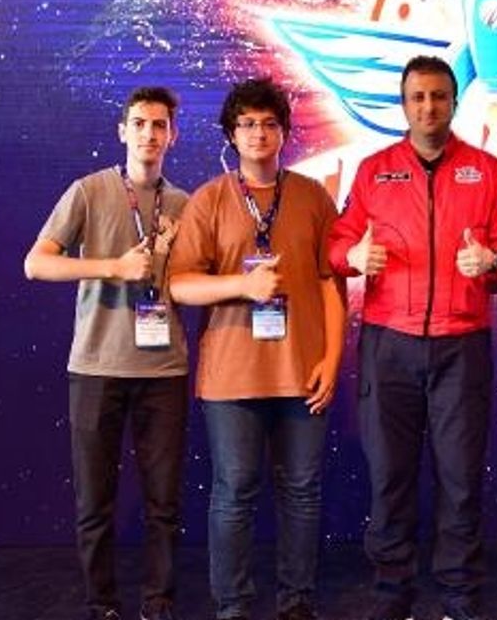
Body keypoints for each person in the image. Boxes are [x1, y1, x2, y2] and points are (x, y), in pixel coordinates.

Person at [327, 55, 497, 620]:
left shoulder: (485, 171)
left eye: (439, 96)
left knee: (460, 479)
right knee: (390, 476)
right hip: (388, 343)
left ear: (454, 102)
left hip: (460, 345)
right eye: (418, 97)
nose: (428, 107)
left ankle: (460, 596)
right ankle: (392, 593)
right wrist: (352, 255)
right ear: (403, 103)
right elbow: (338, 242)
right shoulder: (374, 171)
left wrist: (492, 260)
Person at [167, 78, 346, 620]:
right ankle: (233, 606)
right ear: (231, 134)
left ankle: (297, 602)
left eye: (269, 123)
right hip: (232, 377)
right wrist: (242, 286)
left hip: (302, 373)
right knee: (235, 491)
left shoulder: (312, 196)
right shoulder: (210, 199)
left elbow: (330, 282)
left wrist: (332, 360)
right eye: (247, 124)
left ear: (284, 132)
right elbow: (180, 285)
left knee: (302, 491)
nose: (258, 133)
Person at [23, 86, 189, 620]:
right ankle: (102, 604)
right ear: (122, 131)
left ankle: (158, 602)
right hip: (96, 367)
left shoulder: (184, 205)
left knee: (164, 502)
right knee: (95, 502)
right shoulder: (88, 191)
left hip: (164, 370)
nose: (149, 134)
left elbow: (194, 280)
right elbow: (36, 264)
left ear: (172, 135)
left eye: (159, 125)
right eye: (139, 123)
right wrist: (112, 268)